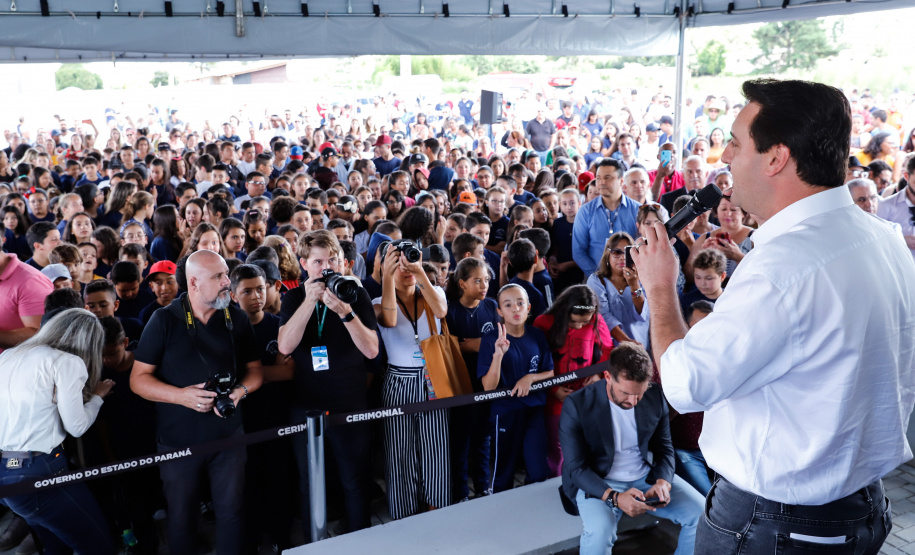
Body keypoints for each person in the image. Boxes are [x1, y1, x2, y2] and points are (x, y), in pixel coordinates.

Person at [632, 79, 915, 554]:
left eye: (737, 144)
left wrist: (660, 288)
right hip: (861, 507)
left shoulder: (782, 270)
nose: (725, 158)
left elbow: (685, 385)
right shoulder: (885, 239)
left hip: (774, 523)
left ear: (776, 157)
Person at [130, 249, 263, 555]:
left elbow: (255, 371)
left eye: (226, 274)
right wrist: (181, 396)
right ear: (193, 282)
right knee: (181, 519)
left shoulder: (236, 316)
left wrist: (240, 392)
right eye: (218, 276)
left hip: (229, 435)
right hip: (179, 441)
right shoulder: (163, 320)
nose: (227, 282)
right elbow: (138, 380)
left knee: (232, 513)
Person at [277, 230, 378, 536]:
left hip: (349, 401)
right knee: (311, 481)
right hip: (307, 406)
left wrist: (345, 313)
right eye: (318, 261)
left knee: (354, 480)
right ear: (304, 263)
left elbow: (372, 350)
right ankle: (314, 542)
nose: (325, 267)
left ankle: (361, 538)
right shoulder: (293, 297)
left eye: (331, 259)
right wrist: (309, 303)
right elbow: (284, 346)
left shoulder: (355, 293)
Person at [559, 343, 704, 555]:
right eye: (625, 393)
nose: (633, 401)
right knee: (599, 534)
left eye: (640, 393)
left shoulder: (655, 397)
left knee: (701, 515)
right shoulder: (577, 404)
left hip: (645, 477)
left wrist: (663, 481)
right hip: (599, 481)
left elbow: (664, 448)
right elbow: (576, 468)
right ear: (608, 377)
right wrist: (615, 498)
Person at [0, 309, 116, 554]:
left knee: (56, 545)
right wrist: (96, 397)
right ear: (89, 342)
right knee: (97, 545)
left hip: (6, 472)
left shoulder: (9, 355)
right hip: (40, 470)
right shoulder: (67, 362)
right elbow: (77, 427)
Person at [373, 238, 451, 519]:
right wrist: (387, 275)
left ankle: (436, 509)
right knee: (400, 451)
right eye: (398, 261)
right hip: (398, 379)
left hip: (433, 377)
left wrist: (418, 272)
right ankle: (403, 513)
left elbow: (441, 311)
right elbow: (390, 321)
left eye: (409, 258)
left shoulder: (434, 292)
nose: (404, 266)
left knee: (435, 448)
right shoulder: (376, 303)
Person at [479, 283, 554, 493]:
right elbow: (488, 387)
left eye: (520, 303)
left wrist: (530, 377)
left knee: (539, 472)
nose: (515, 309)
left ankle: (530, 516)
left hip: (534, 410)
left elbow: (551, 372)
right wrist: (498, 355)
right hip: (505, 413)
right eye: (508, 305)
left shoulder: (537, 335)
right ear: (500, 311)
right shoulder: (491, 338)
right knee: (502, 476)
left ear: (529, 308)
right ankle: (499, 519)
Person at [532, 285, 612, 477]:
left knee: (583, 448)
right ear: (564, 311)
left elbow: (608, 350)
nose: (578, 326)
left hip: (584, 397)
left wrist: (599, 374)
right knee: (556, 453)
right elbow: (536, 361)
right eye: (573, 321)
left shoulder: (595, 320)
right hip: (555, 398)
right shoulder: (544, 322)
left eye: (583, 323)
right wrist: (553, 389)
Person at [445, 257, 499, 501]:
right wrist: (467, 347)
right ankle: (460, 492)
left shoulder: (490, 306)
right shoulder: (450, 309)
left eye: (486, 279)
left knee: (483, 437)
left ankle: (483, 486)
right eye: (477, 280)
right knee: (461, 440)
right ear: (462, 283)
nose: (484, 285)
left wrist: (479, 344)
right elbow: (449, 347)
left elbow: (498, 340)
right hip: (461, 384)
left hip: (486, 381)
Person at [572, 158, 640, 277]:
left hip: (630, 280)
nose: (602, 182)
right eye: (598, 178)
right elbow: (578, 252)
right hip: (595, 280)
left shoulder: (637, 210)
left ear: (621, 181)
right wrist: (599, 277)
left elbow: (643, 247)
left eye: (607, 177)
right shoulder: (585, 212)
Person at [587, 232, 649, 347]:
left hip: (641, 343)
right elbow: (602, 316)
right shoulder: (596, 280)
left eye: (627, 252)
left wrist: (634, 284)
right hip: (610, 346)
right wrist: (627, 342)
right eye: (616, 252)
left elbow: (643, 315)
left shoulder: (643, 278)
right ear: (607, 255)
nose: (622, 257)